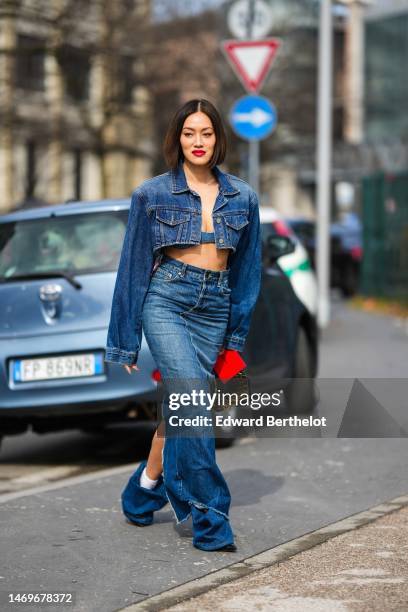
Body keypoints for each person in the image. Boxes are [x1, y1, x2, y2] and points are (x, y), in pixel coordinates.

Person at [104, 98, 262, 552]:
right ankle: (211, 518)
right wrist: (124, 341)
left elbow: (247, 274)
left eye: (206, 133)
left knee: (185, 410)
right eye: (189, 133)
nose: (198, 142)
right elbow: (133, 268)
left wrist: (236, 336)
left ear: (218, 139)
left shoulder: (243, 196)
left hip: (215, 306)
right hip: (167, 300)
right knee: (192, 405)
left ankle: (144, 487)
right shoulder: (151, 194)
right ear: (177, 138)